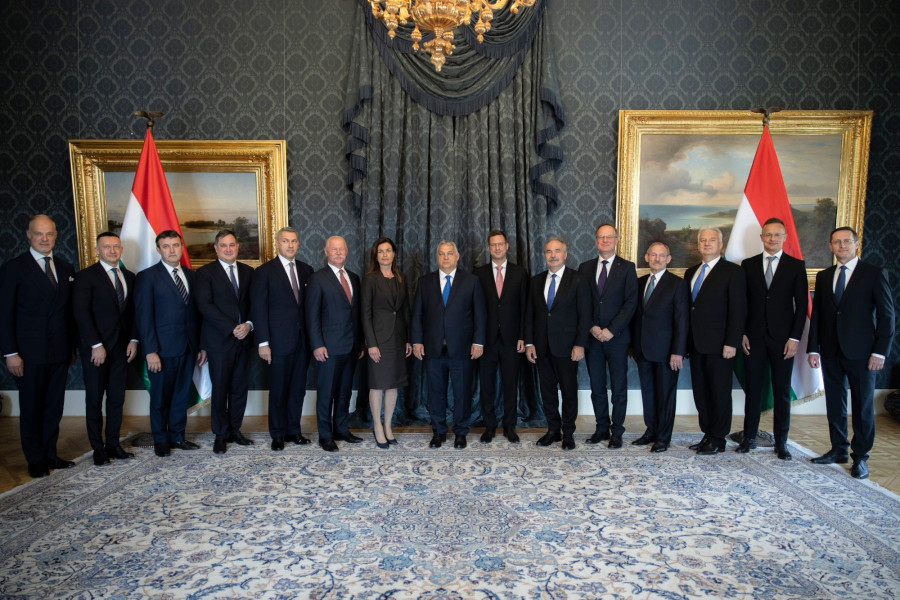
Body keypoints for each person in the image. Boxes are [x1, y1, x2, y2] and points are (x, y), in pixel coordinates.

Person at [807, 227, 894, 479]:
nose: (842, 245)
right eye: (837, 242)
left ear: (856, 244)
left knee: (862, 406)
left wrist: (880, 352)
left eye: (847, 241)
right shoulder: (824, 277)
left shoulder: (874, 274)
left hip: (863, 353)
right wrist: (813, 348)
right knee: (835, 403)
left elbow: (887, 316)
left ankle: (861, 457)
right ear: (831, 246)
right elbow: (818, 316)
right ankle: (838, 449)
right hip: (830, 351)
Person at [0, 214, 76, 478]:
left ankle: (50, 453)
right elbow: (4, 315)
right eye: (39, 234)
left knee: (54, 407)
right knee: (32, 408)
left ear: (56, 236)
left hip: (60, 351)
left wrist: (71, 348)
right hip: (28, 354)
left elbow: (68, 314)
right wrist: (11, 353)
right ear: (28, 235)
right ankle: (35, 459)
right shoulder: (13, 269)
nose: (44, 239)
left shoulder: (65, 268)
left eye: (49, 233)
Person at [740, 218, 808, 460]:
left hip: (783, 341)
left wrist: (794, 338)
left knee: (781, 391)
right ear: (761, 237)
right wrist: (742, 332)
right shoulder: (747, 265)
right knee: (753, 390)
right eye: (768, 234)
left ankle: (781, 442)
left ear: (785, 238)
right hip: (753, 338)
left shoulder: (796, 266)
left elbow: (802, 306)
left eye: (777, 234)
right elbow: (742, 303)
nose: (772, 239)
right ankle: (749, 438)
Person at [134, 230, 206, 457]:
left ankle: (177, 436)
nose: (172, 250)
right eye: (166, 246)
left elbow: (197, 315)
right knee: (160, 399)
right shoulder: (147, 277)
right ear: (158, 249)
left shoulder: (192, 276)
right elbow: (144, 317)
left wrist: (200, 346)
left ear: (181, 247)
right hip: (161, 351)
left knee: (181, 396)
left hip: (188, 348)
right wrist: (150, 351)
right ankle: (161, 440)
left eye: (175, 245)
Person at [72, 232, 139, 466]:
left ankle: (113, 444)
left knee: (116, 400)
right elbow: (81, 314)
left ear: (121, 249)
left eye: (116, 246)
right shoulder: (85, 277)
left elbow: (133, 313)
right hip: (96, 351)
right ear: (97, 251)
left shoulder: (129, 277)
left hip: (122, 349)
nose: (112, 250)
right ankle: (97, 448)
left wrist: (134, 340)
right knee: (94, 400)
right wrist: (96, 345)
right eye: (107, 247)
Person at [411, 241, 486, 449]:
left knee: (462, 392)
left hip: (462, 348)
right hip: (433, 348)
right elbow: (417, 314)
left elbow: (480, 315)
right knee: (435, 392)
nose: (445, 257)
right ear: (437, 257)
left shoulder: (471, 281)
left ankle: (461, 432)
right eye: (442, 254)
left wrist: (478, 342)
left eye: (449, 253)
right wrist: (416, 341)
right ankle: (439, 432)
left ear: (457, 256)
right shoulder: (425, 282)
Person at [684, 227, 746, 455]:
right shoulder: (691, 272)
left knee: (719, 393)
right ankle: (707, 434)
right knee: (701, 393)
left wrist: (732, 342)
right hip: (695, 344)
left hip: (721, 345)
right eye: (703, 240)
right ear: (698, 245)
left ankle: (718, 438)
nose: (707, 243)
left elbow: (738, 310)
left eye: (712, 240)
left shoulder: (733, 272)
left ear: (721, 244)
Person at [251, 227, 314, 451]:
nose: (290, 245)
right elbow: (258, 309)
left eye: (294, 241)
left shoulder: (307, 270)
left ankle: (293, 431)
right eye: (286, 241)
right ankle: (277, 434)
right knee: (278, 389)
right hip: (277, 342)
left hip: (302, 342)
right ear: (277, 243)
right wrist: (263, 343)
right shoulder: (264, 272)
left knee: (298, 389)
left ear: (298, 244)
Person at [525, 236, 590, 451]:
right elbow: (529, 314)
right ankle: (553, 430)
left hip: (568, 347)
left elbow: (585, 314)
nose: (553, 255)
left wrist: (580, 344)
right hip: (542, 347)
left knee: (569, 391)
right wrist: (529, 343)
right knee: (548, 391)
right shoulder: (536, 281)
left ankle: (568, 433)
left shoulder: (578, 279)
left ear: (565, 254)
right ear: (544, 255)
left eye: (557, 251)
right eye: (548, 252)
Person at [194, 230, 255, 454]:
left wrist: (249, 325)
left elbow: (256, 303)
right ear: (216, 248)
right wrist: (232, 328)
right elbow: (205, 306)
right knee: (220, 389)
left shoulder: (249, 272)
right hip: (219, 341)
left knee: (239, 388)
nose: (228, 249)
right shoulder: (205, 273)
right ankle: (220, 434)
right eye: (223, 245)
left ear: (237, 246)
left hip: (244, 339)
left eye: (232, 245)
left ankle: (234, 430)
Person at [578, 223, 637, 449]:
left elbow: (630, 303)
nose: (605, 240)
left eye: (609, 237)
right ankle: (601, 428)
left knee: (619, 387)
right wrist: (592, 327)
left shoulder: (627, 268)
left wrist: (611, 330)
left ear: (616, 240)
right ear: (596, 241)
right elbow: (581, 302)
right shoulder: (585, 267)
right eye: (601, 237)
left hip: (617, 339)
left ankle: (617, 431)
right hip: (593, 338)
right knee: (597, 387)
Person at [306, 236, 364, 452]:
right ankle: (325, 435)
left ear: (346, 251)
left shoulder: (354, 278)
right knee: (326, 394)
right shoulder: (317, 278)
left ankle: (341, 429)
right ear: (326, 252)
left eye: (341, 249)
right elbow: (311, 315)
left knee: (344, 392)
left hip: (351, 347)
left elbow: (356, 314)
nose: (338, 253)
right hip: (328, 348)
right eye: (334, 249)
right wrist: (317, 345)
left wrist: (361, 343)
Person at [630, 242, 689, 453]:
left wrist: (678, 351)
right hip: (642, 350)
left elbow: (682, 320)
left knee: (665, 395)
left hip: (666, 352)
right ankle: (651, 431)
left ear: (668, 259)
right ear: (646, 257)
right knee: (648, 393)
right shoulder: (640, 282)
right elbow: (636, 317)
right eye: (653, 255)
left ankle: (663, 438)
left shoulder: (677, 284)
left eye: (661, 255)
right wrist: (632, 347)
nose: (657, 259)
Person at [474, 229, 529, 443]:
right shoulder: (478, 274)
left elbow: (524, 307)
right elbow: (475, 308)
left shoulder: (519, 273)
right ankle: (489, 426)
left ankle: (509, 426)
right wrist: (476, 339)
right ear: (489, 248)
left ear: (507, 246)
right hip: (486, 340)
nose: (497, 248)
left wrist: (523, 336)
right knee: (487, 385)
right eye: (493, 245)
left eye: (500, 244)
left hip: (512, 340)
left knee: (510, 384)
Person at [361, 237, 411, 449]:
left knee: (392, 384)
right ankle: (377, 425)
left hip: (398, 339)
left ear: (394, 254)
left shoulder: (401, 277)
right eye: (380, 251)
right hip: (379, 340)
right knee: (377, 384)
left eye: (388, 250)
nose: (384, 254)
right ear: (376, 255)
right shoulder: (370, 279)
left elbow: (405, 310)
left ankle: (388, 425)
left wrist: (408, 339)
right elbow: (365, 313)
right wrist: (371, 343)